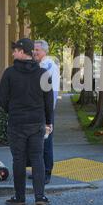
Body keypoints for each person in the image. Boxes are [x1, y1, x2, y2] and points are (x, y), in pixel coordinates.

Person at [0, 38, 54, 205]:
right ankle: (40, 196)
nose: (13, 53)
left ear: (22, 52)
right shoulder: (43, 74)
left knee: (19, 160)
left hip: (17, 123)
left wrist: (12, 111)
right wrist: (48, 122)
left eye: (15, 50)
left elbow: (2, 100)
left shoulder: (9, 73)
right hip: (37, 122)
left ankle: (19, 197)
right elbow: (48, 102)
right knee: (37, 159)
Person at [33, 40, 60, 184]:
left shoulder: (48, 65)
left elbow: (52, 92)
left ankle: (47, 172)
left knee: (46, 141)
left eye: (37, 49)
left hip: (45, 110)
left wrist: (49, 111)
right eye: (34, 50)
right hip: (39, 110)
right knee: (39, 142)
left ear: (44, 51)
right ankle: (40, 170)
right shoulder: (40, 65)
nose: (34, 52)